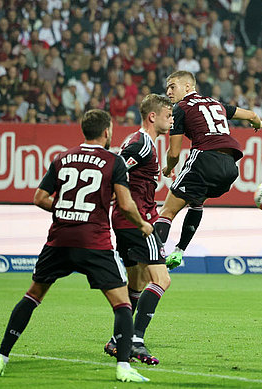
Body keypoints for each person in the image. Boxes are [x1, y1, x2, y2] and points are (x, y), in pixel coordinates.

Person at [0, 109, 151, 383]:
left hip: (59, 240)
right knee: (122, 303)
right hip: (94, 241)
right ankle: (123, 367)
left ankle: (0, 357)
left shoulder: (62, 157)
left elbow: (39, 198)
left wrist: (65, 209)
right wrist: (143, 225)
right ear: (107, 132)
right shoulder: (114, 161)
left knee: (32, 296)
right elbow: (125, 204)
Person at [153, 70, 262, 269]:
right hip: (230, 167)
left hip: (205, 158)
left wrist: (168, 168)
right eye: (167, 88)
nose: (168, 92)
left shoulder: (181, 108)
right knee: (196, 201)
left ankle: (152, 259)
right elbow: (252, 115)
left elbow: (174, 153)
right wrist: (258, 123)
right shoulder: (215, 103)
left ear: (188, 87)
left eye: (172, 86)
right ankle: (179, 251)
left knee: (167, 211)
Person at [103, 94, 173, 365]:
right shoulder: (142, 143)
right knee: (161, 280)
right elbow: (116, 170)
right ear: (152, 116)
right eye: (168, 115)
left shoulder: (140, 143)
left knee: (137, 284)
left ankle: (118, 339)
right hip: (139, 222)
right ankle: (136, 340)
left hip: (123, 220)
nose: (172, 120)